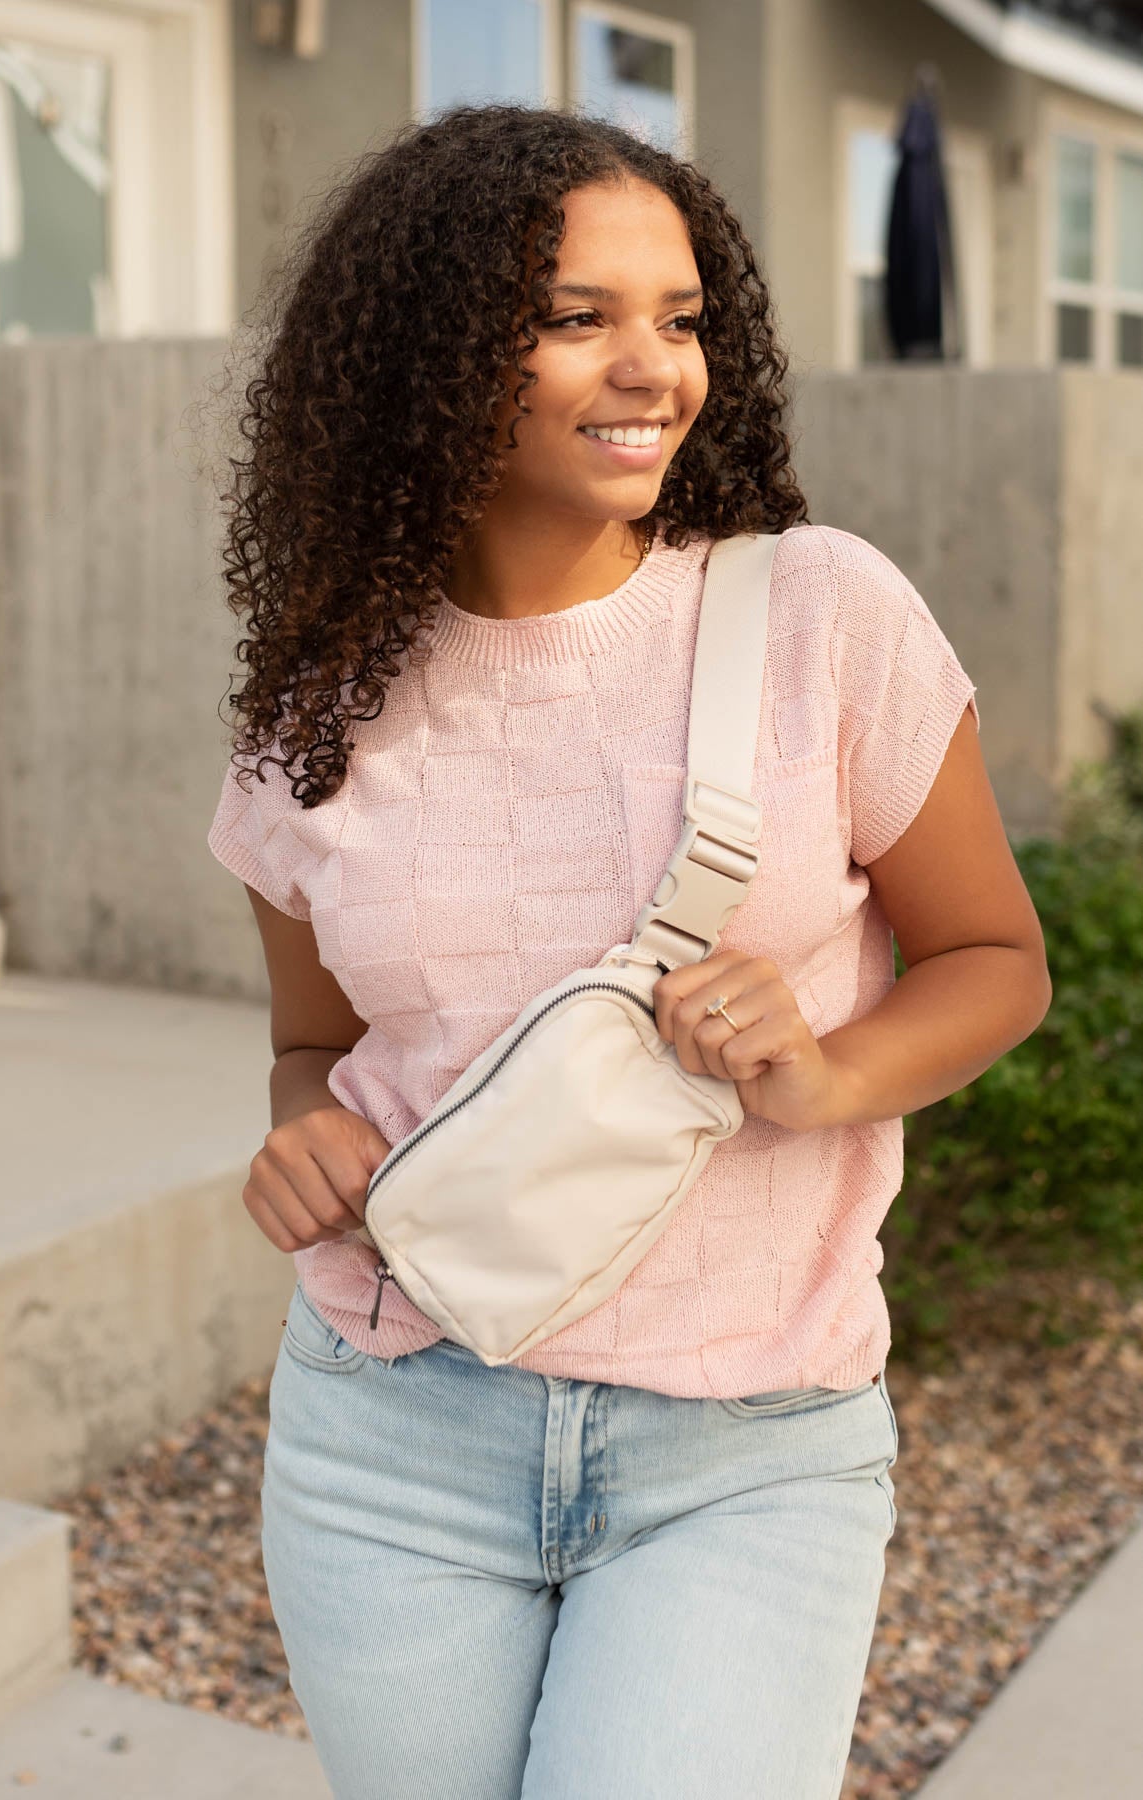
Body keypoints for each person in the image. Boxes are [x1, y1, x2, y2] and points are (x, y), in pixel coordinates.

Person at [205, 103, 1052, 1800]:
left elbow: (991, 956)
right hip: (392, 1433)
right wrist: (304, 1133)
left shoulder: (818, 614)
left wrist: (825, 1075)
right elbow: (316, 1052)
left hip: (743, 1445)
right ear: (432, 355)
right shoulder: (315, 714)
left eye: (680, 318)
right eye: (576, 315)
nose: (652, 365)